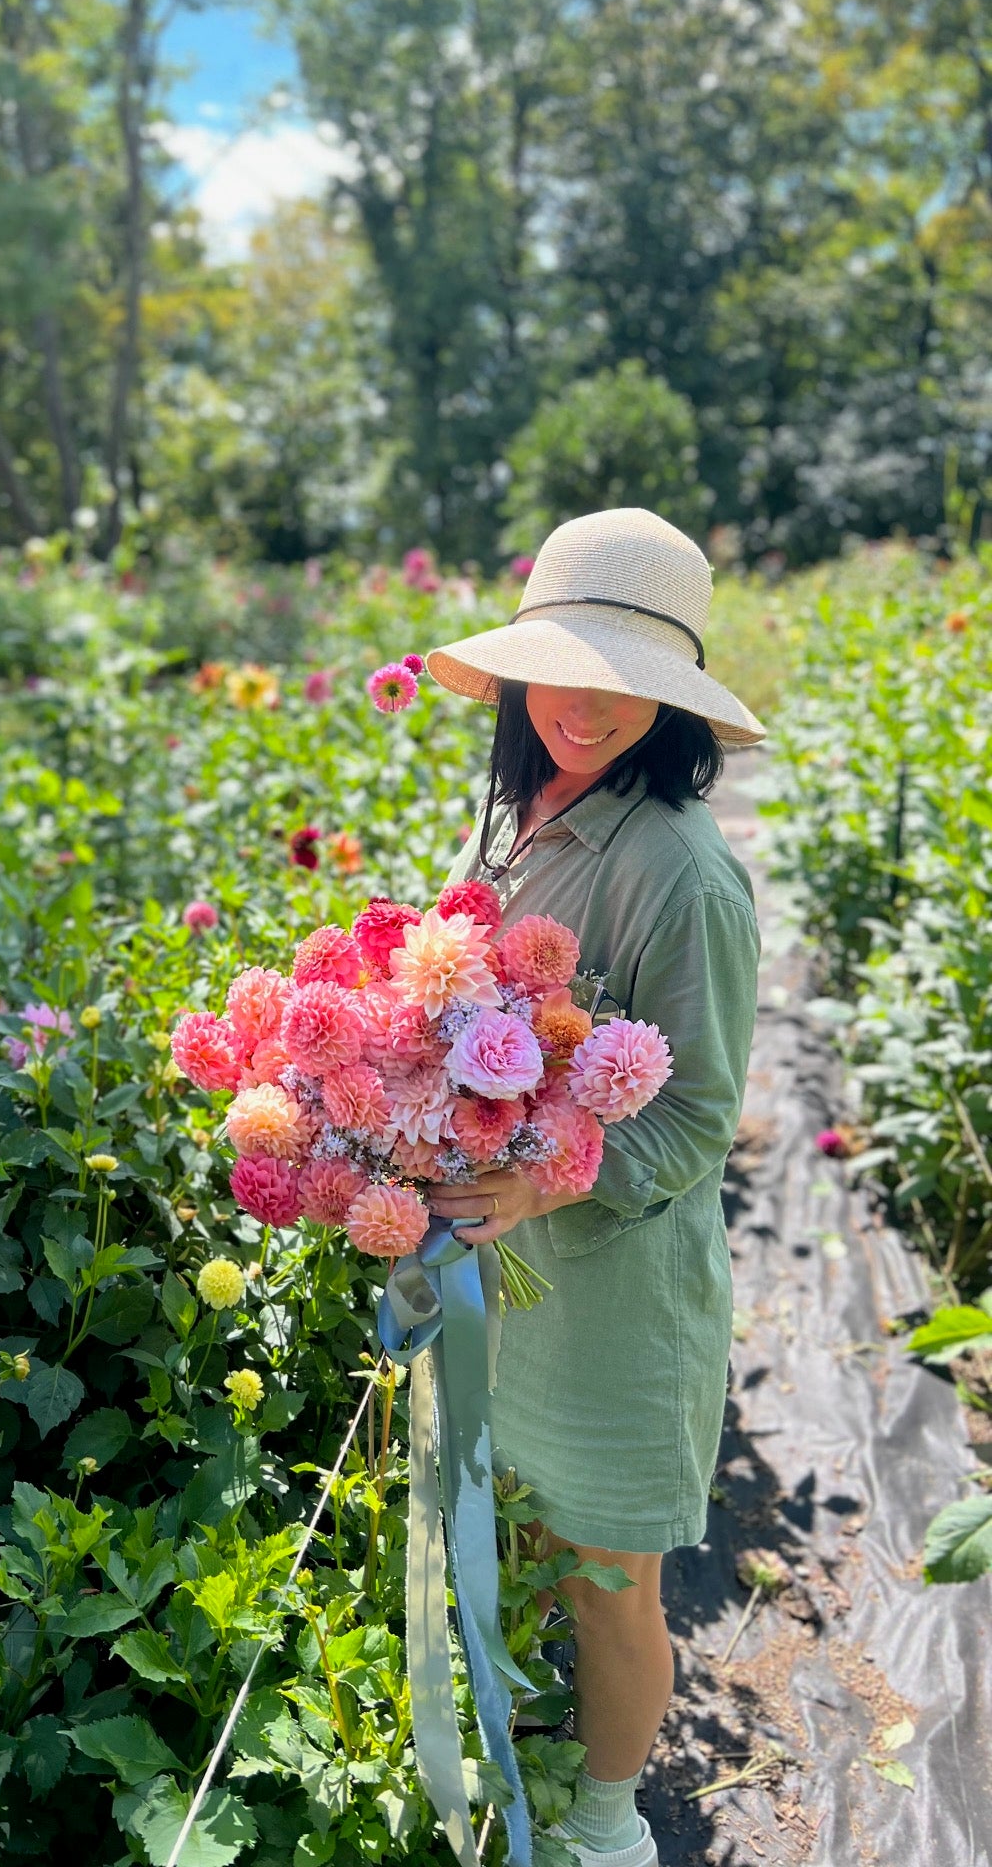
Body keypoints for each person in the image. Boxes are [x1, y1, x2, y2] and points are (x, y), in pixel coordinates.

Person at [421, 507, 764, 1867]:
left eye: (627, 680)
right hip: (507, 1282)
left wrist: (540, 1184)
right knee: (527, 1544)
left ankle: (610, 1830)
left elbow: (696, 1121)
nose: (587, 703)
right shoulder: (520, 819)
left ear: (671, 703)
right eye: (564, 664)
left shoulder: (683, 874)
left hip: (614, 1295)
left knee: (610, 1579)